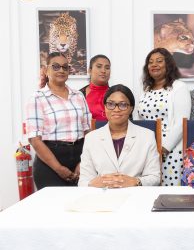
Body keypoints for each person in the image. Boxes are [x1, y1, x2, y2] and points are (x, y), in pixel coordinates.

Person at [26, 52, 91, 190]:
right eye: (55, 66)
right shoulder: (37, 98)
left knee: (82, 206)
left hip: (80, 158)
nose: (61, 70)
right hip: (50, 162)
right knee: (54, 208)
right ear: (46, 70)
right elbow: (34, 139)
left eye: (65, 67)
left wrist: (83, 161)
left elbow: (88, 132)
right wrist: (59, 168)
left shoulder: (79, 95)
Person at [79, 84, 160, 187]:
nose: (116, 109)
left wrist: (136, 181)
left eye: (123, 105)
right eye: (111, 104)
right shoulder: (91, 138)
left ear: (131, 108)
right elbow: (83, 181)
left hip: (135, 196)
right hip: (101, 196)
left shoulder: (147, 136)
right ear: (105, 107)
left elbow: (155, 177)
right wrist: (92, 183)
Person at [137, 48, 191, 186]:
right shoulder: (145, 90)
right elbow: (140, 121)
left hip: (170, 150)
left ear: (168, 64)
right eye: (150, 62)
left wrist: (162, 149)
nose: (154, 64)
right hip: (146, 148)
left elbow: (181, 123)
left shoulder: (179, 87)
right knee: (148, 188)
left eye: (159, 61)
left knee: (169, 191)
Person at [80, 55, 111, 121]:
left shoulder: (117, 94)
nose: (103, 71)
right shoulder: (79, 95)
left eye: (107, 68)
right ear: (90, 70)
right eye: (99, 66)